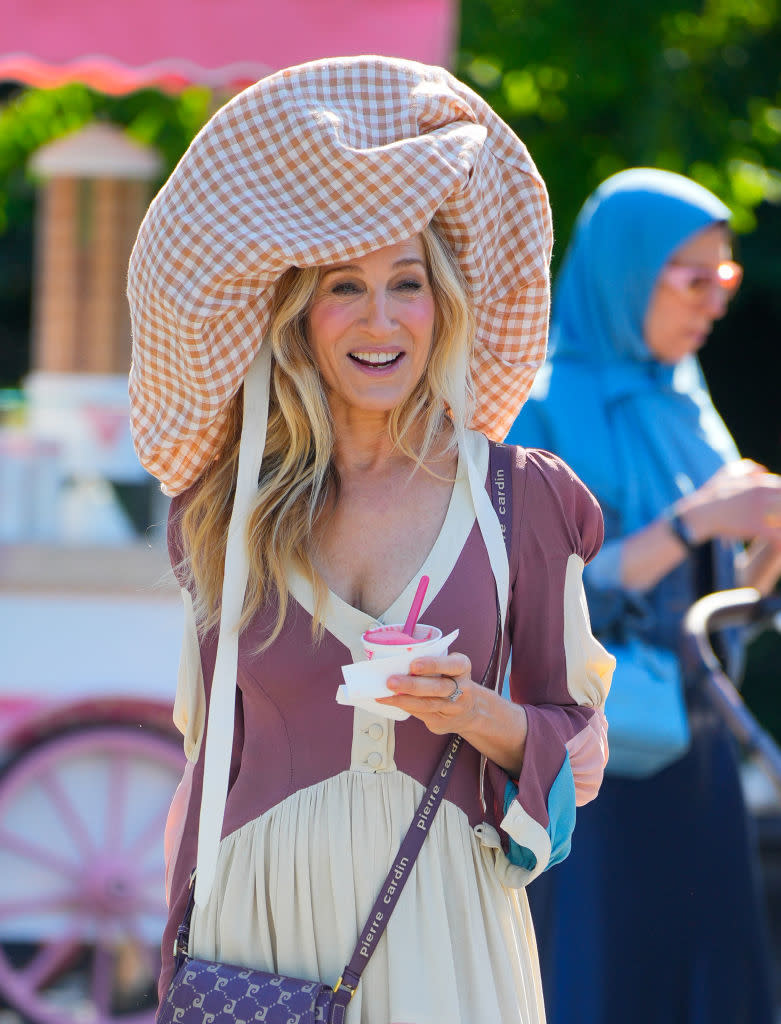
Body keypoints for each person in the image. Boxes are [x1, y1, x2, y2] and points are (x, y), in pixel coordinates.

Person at [127, 57, 615, 1024]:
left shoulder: (522, 500)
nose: (381, 317)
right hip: (254, 923)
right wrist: (182, 949)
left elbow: (580, 741)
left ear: (443, 308)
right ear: (300, 318)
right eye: (345, 286)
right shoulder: (224, 511)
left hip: (444, 917)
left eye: (408, 283)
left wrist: (475, 712)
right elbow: (204, 757)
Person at [506, 167, 781, 1024]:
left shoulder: (689, 407)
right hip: (587, 753)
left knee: (701, 979)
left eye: (724, 278)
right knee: (597, 977)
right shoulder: (537, 407)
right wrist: (697, 519)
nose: (715, 302)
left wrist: (762, 557)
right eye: (693, 278)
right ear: (626, 274)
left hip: (690, 746)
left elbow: (707, 607)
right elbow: (531, 595)